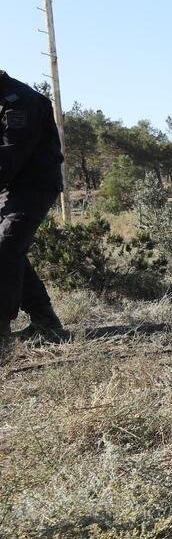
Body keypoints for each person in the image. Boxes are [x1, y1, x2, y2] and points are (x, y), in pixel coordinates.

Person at [0, 70, 69, 346]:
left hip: (34, 186)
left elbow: (8, 157)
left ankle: (1, 331)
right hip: (10, 186)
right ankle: (45, 320)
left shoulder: (21, 101)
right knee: (10, 249)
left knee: (5, 247)